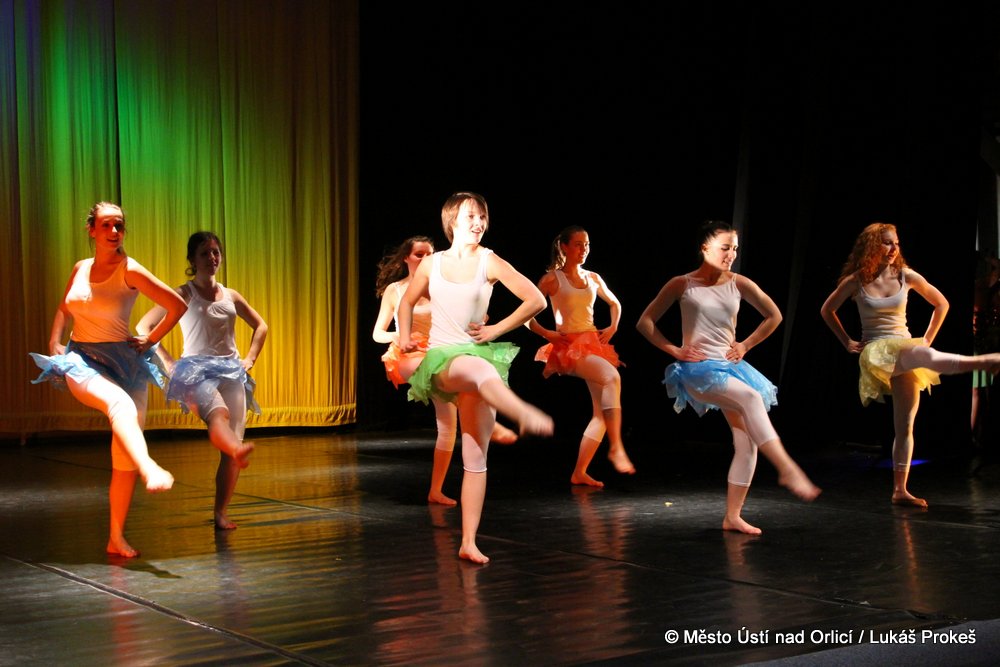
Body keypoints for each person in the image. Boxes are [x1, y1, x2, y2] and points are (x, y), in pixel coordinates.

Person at [398, 191, 554, 563]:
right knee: (480, 369)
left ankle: (468, 542)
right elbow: (406, 302)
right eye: (471, 216)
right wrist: (403, 336)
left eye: (482, 217)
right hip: (443, 362)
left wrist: (496, 328)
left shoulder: (489, 261)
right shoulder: (432, 264)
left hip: (477, 359)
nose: (478, 223)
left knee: (475, 456)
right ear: (452, 220)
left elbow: (536, 300)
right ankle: (521, 412)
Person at [637, 220, 820, 535]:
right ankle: (786, 468)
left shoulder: (739, 283)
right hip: (698, 370)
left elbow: (774, 315)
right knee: (750, 398)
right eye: (725, 247)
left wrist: (746, 344)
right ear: (705, 248)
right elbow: (645, 322)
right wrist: (674, 349)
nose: (731, 254)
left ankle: (732, 516)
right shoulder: (682, 284)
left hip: (730, 368)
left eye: (735, 248)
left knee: (747, 442)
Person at [29, 202, 186, 557]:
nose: (114, 231)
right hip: (82, 361)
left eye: (119, 225)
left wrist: (150, 339)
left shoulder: (130, 270)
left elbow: (177, 305)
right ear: (92, 230)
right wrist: (54, 341)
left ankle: (115, 537)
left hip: (126, 363)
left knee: (124, 452)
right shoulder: (81, 268)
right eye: (106, 225)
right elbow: (65, 307)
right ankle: (150, 467)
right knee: (120, 405)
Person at [820, 222, 1000, 507]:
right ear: (872, 246)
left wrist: (927, 338)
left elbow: (941, 304)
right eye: (887, 243)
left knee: (905, 425)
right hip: (876, 350)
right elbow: (827, 310)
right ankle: (983, 362)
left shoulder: (906, 275)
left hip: (904, 347)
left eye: (896, 243)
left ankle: (900, 490)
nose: (893, 248)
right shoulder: (856, 280)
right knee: (922, 356)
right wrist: (847, 341)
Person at [373, 236, 519, 507]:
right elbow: (377, 333)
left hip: (439, 353)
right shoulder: (396, 290)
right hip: (409, 356)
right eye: (418, 254)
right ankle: (492, 424)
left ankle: (436, 490)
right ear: (406, 258)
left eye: (429, 254)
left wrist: (477, 319)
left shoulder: (438, 285)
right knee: (435, 375)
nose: (425, 259)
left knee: (448, 425)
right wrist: (400, 336)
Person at [137, 231, 266, 530]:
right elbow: (144, 325)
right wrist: (168, 361)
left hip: (230, 372)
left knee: (232, 447)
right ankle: (236, 449)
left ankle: (221, 512)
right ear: (192, 260)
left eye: (216, 252)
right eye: (205, 253)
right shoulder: (183, 293)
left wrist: (249, 359)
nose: (212, 258)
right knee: (219, 415)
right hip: (195, 373)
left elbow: (261, 326)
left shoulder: (231, 296)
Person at [527, 226, 635, 487]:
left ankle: (579, 472)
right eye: (578, 244)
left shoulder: (593, 277)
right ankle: (616, 446)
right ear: (564, 246)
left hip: (593, 344)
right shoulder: (552, 279)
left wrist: (613, 326)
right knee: (612, 377)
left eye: (586, 244)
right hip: (569, 346)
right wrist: (548, 334)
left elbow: (615, 303)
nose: (584, 249)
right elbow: (526, 315)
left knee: (600, 414)